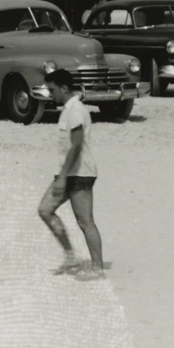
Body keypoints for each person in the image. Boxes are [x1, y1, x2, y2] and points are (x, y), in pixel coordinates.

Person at [38, 68, 105, 279]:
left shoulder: (75, 110)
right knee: (45, 210)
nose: (50, 94)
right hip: (68, 172)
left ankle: (97, 268)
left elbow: (76, 145)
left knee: (85, 221)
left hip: (80, 173)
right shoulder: (68, 109)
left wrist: (63, 178)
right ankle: (70, 256)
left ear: (64, 88)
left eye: (52, 90)